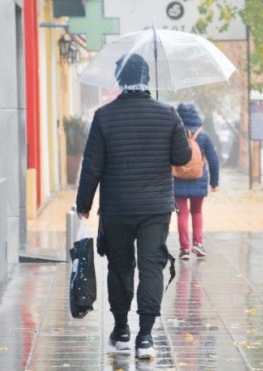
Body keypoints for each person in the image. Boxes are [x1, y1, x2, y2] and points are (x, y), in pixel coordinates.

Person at [75, 53, 191, 358]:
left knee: (120, 266)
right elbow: (182, 158)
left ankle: (123, 330)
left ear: (120, 80)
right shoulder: (168, 114)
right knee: (151, 267)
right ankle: (146, 338)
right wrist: (173, 126)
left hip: (117, 208)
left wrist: (83, 204)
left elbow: (92, 166)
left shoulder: (104, 116)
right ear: (147, 78)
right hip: (155, 208)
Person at [174, 103, 219, 260]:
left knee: (182, 213)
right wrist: (214, 182)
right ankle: (198, 243)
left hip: (177, 178)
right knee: (197, 211)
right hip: (198, 178)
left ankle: (184, 248)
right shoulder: (203, 135)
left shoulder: (175, 134)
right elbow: (213, 160)